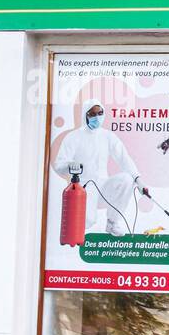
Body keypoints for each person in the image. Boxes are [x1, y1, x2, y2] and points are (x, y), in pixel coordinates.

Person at [54, 99, 142, 236]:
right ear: (85, 115)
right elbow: (59, 165)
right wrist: (70, 165)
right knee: (87, 222)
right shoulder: (73, 137)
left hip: (104, 186)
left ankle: (112, 223)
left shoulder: (107, 136)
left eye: (100, 113)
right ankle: (85, 219)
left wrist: (138, 179)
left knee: (126, 179)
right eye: (92, 114)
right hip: (84, 188)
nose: (97, 117)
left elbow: (124, 158)